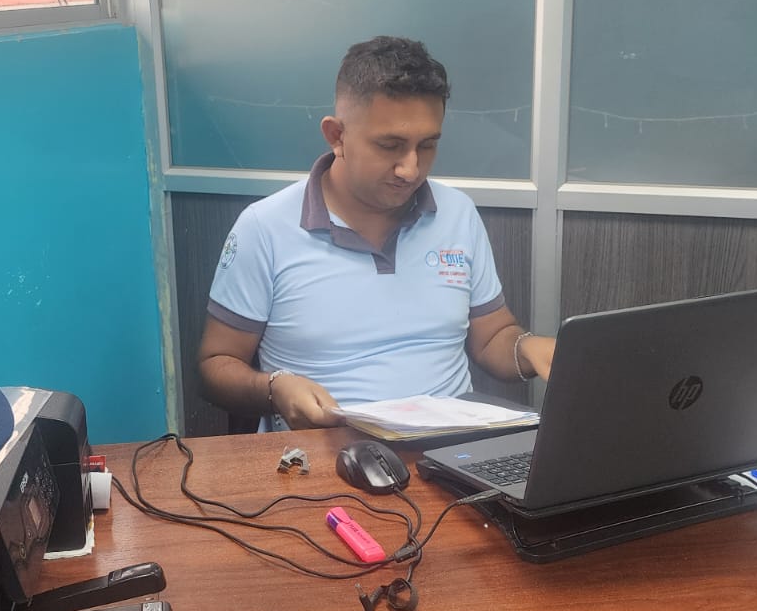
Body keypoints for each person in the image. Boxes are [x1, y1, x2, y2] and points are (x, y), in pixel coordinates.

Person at [199, 36, 557, 430]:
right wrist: (274, 388)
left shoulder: (458, 214)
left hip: (451, 447)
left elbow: (491, 338)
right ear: (337, 136)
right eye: (390, 145)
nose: (411, 169)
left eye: (427, 145)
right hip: (326, 448)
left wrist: (528, 349)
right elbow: (216, 365)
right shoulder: (265, 228)